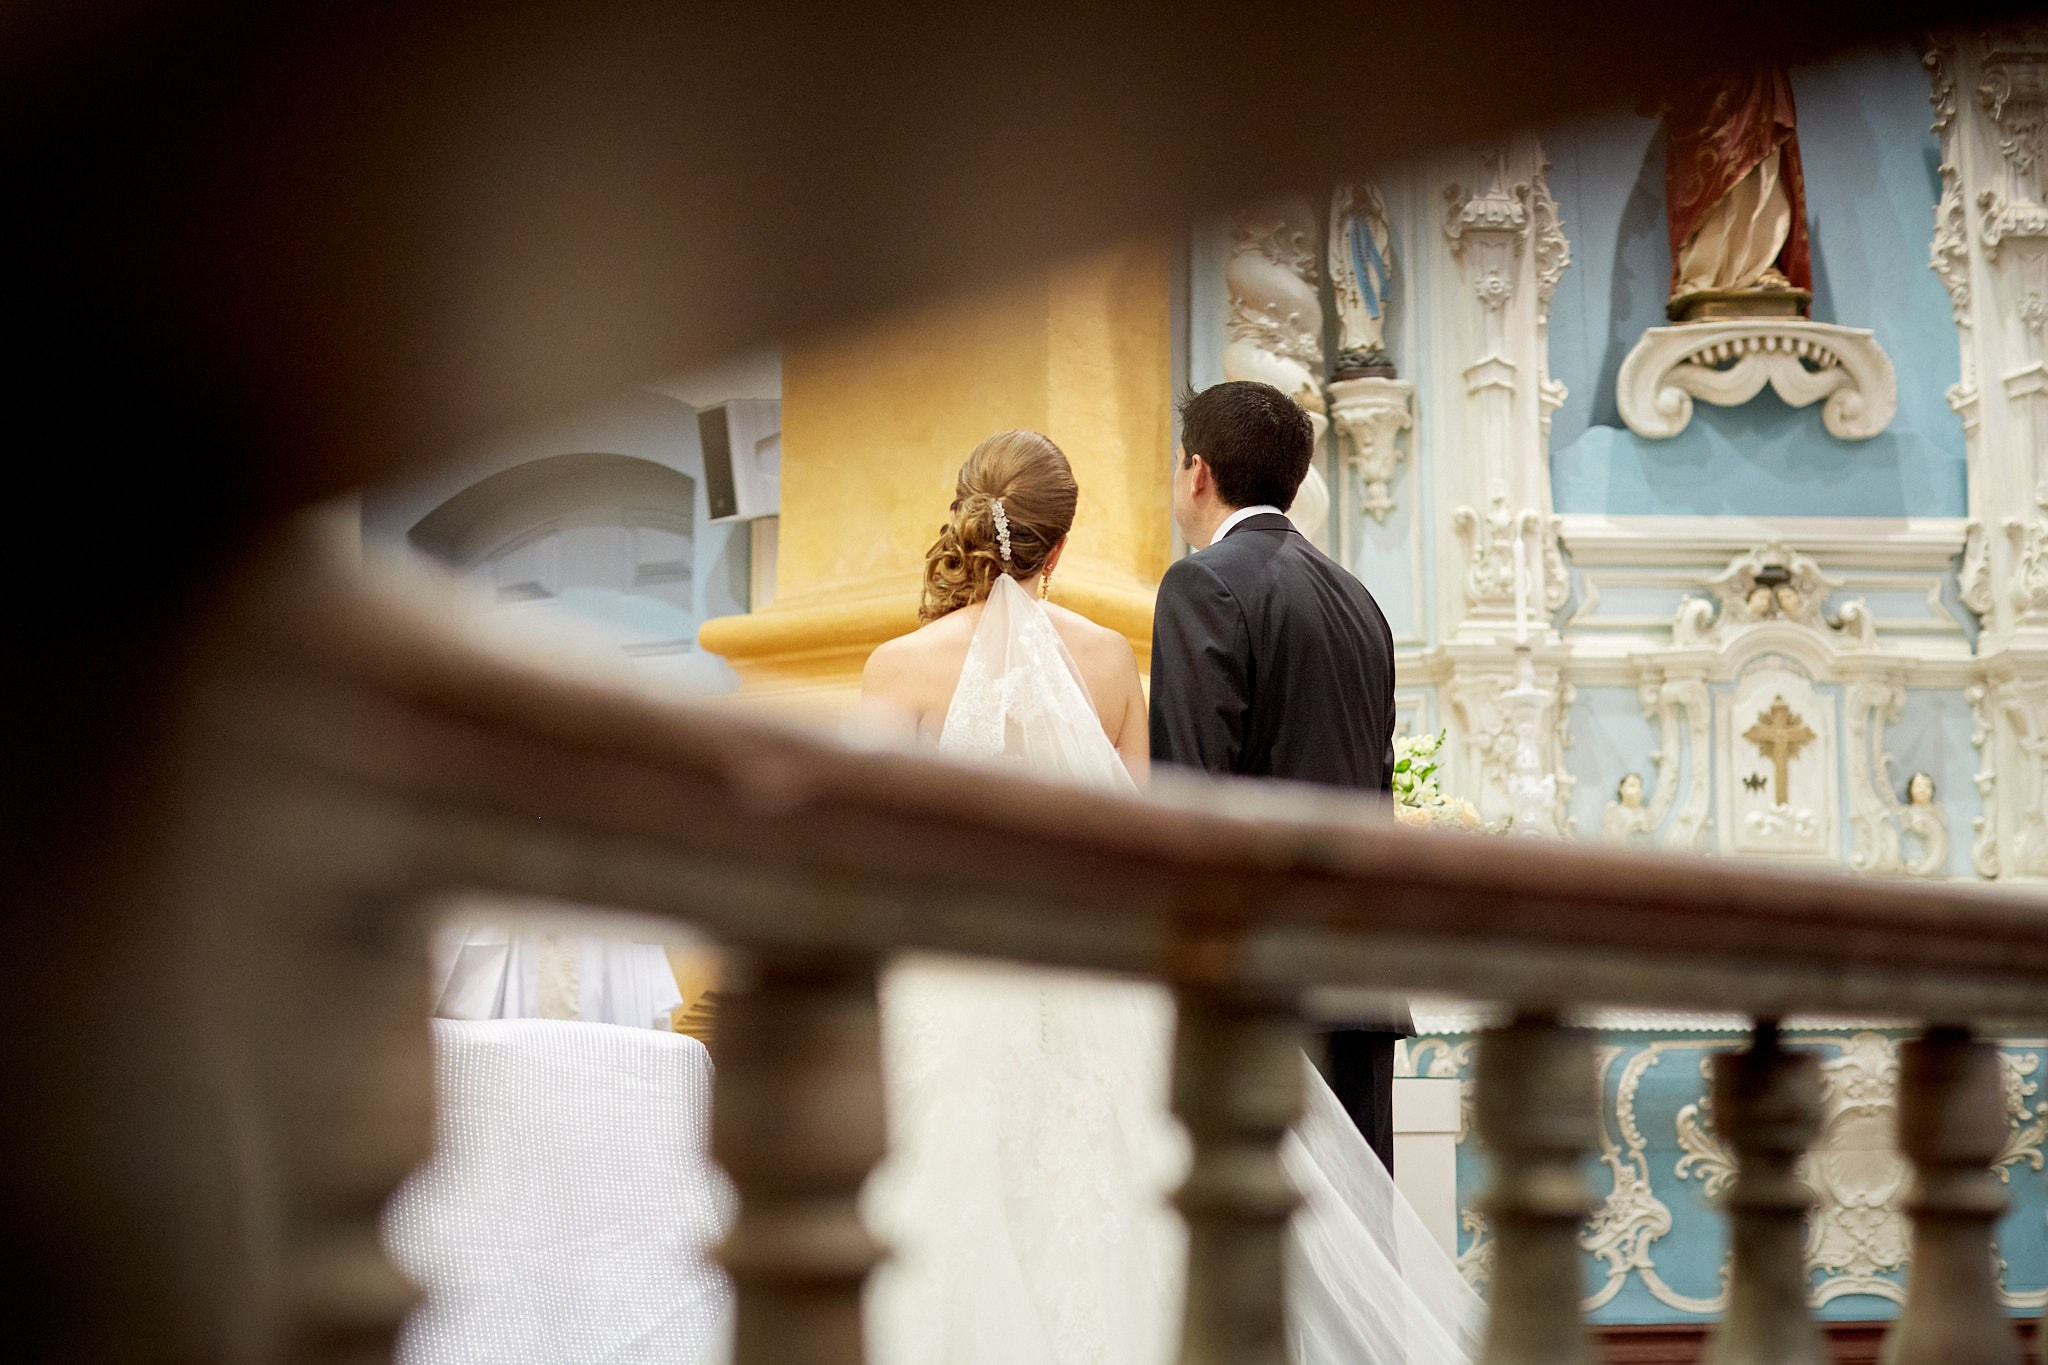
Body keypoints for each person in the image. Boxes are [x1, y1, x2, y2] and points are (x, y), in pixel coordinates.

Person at [858, 428, 1477, 1365]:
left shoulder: (897, 669)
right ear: (1061, 545)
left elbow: (868, 856)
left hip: (953, 980)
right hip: (1094, 989)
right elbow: (1148, 845)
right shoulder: (1110, 663)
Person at [1148, 380, 1410, 1174]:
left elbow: (1190, 790)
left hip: (1262, 983)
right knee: (1360, 1262)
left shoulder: (1204, 582)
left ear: (1197, 472)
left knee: (1262, 1239)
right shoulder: (1360, 599)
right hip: (1361, 973)